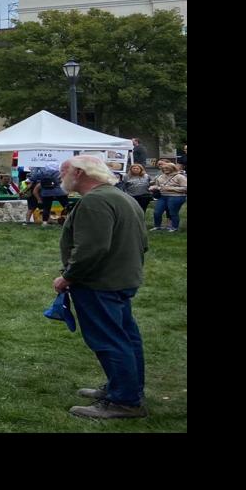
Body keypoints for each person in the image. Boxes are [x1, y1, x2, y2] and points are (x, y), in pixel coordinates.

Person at [55, 155, 150, 420]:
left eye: (64, 171)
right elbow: (142, 241)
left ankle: (125, 401)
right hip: (120, 279)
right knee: (126, 337)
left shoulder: (95, 201)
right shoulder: (120, 196)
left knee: (110, 340)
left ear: (80, 172)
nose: (60, 177)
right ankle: (127, 389)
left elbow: (91, 249)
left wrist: (68, 277)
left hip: (100, 282)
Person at [149, 160, 187, 232]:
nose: (165, 170)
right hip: (162, 196)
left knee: (173, 212)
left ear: (173, 168)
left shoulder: (179, 177)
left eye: (167, 168)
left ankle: (174, 227)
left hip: (176, 197)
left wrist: (169, 188)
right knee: (157, 212)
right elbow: (157, 185)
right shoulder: (160, 176)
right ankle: (157, 226)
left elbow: (185, 188)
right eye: (163, 168)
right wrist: (153, 187)